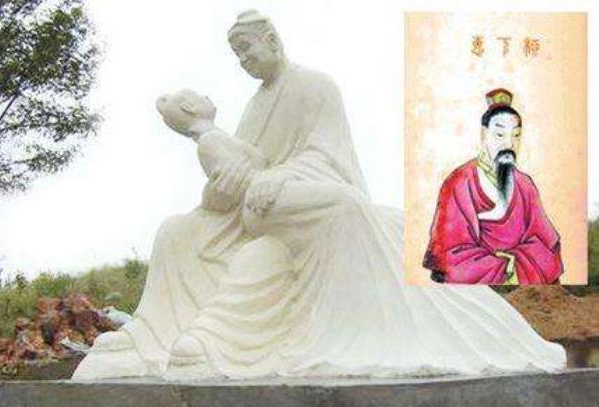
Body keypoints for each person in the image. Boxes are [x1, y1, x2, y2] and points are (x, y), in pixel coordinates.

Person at [71, 11, 565, 380]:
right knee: (175, 232)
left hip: (298, 199)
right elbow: (242, 166)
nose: (244, 61)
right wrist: (218, 182)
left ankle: (221, 337)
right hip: (252, 209)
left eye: (248, 49)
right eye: (237, 55)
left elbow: (327, 157)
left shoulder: (315, 87)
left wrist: (278, 177)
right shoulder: (253, 107)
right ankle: (152, 334)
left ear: (272, 40)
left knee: (326, 217)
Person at [423, 88, 563, 285]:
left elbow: (546, 242)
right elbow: (449, 252)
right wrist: (503, 266)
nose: (509, 144)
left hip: (518, 273)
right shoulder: (459, 182)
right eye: (500, 134)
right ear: (484, 134)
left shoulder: (525, 184)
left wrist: (515, 263)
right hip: (477, 274)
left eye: (516, 135)